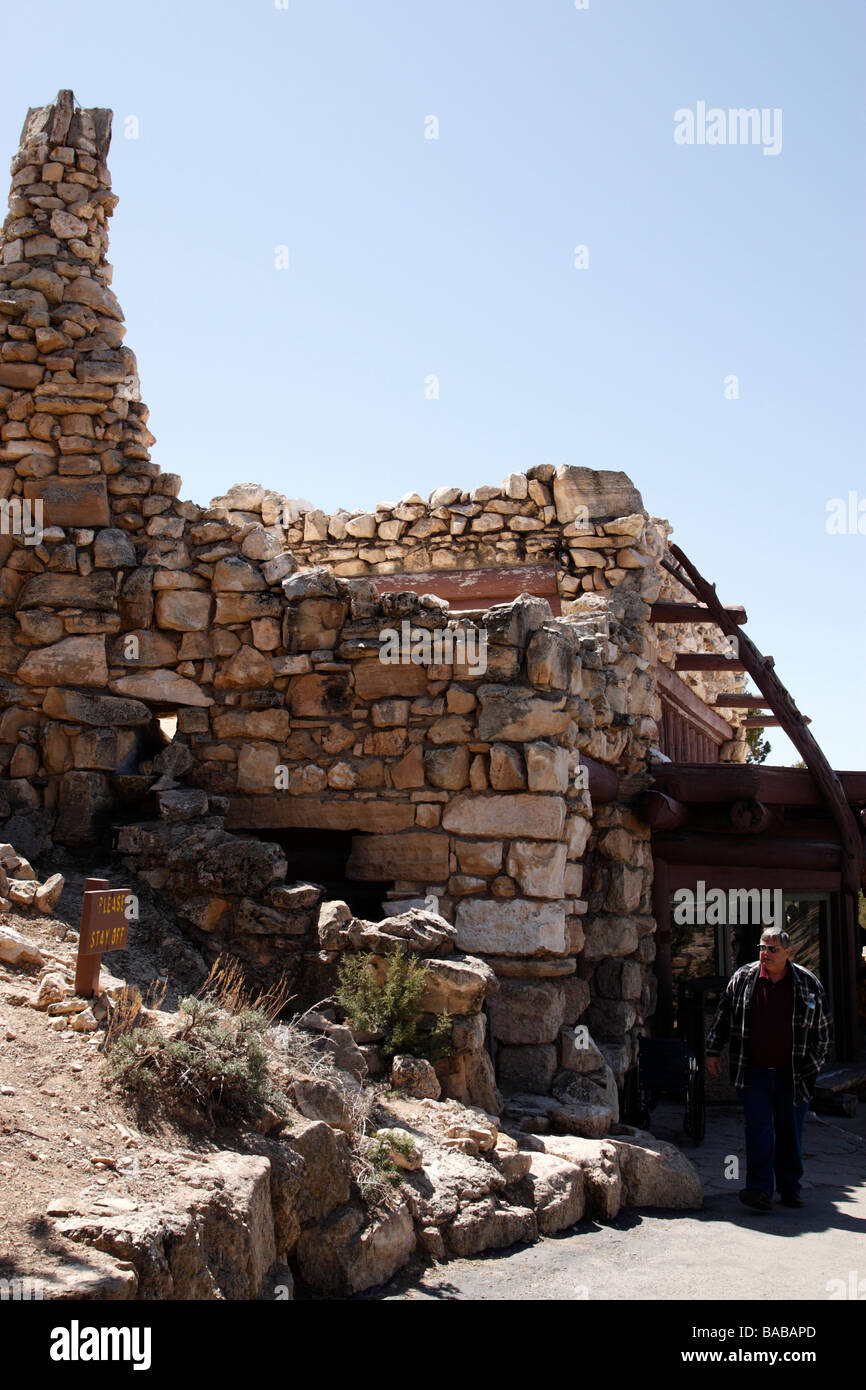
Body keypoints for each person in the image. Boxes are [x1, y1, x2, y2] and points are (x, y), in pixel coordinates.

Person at [706, 924, 831, 1212]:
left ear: (788, 952)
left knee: (790, 1132)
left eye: (772, 949)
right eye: (762, 947)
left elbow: (823, 1033)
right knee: (758, 1130)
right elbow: (723, 1016)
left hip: (794, 1074)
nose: (765, 953)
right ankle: (759, 1190)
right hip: (755, 1071)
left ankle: (790, 1188)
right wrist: (713, 1050)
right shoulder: (744, 979)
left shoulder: (808, 984)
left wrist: (812, 1067)